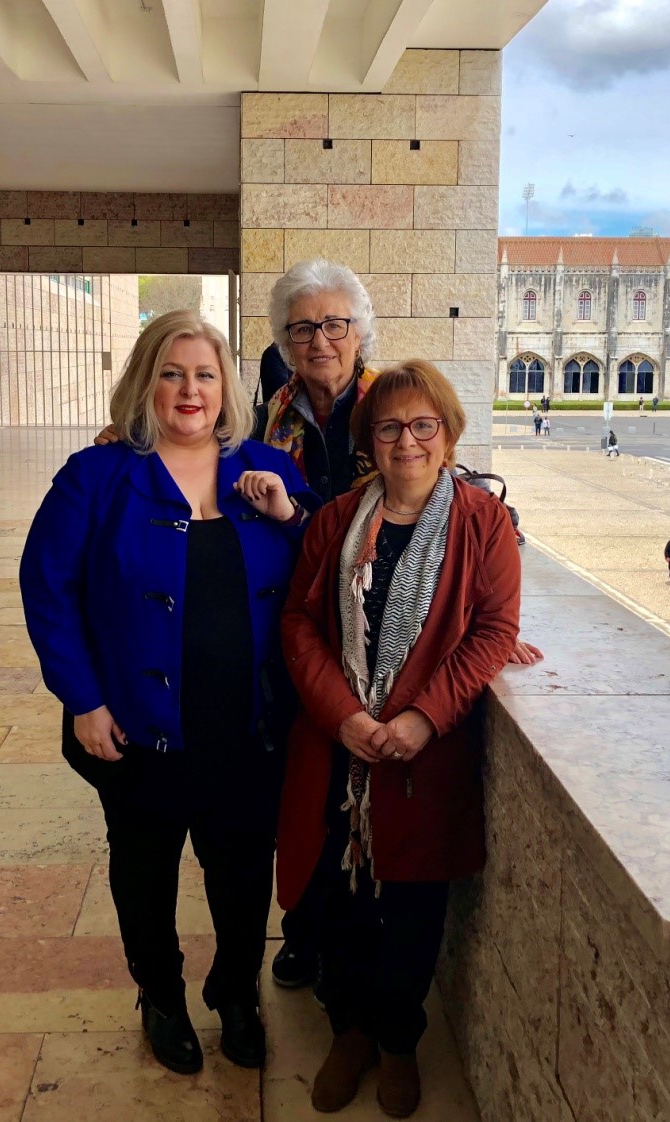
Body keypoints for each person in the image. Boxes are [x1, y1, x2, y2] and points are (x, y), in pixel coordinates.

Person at [99, 261, 543, 992]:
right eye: (303, 328)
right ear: (284, 340)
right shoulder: (268, 414)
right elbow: (205, 453)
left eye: (334, 324)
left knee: (381, 847)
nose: (320, 340)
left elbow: (447, 502)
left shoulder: (393, 400)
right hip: (292, 646)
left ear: (358, 331)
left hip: (386, 646)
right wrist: (135, 436)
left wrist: (484, 621)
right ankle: (307, 937)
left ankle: (359, 983)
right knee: (297, 809)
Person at [20, 312, 319, 1075]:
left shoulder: (270, 472)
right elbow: (47, 589)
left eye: (206, 375)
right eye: (172, 373)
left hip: (247, 728)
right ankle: (159, 994)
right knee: (144, 873)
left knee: (245, 872)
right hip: (135, 728)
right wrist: (83, 701)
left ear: (228, 391)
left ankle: (235, 993)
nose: (190, 390)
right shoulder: (97, 475)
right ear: (145, 384)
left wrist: (289, 518)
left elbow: (324, 573)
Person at [278, 360, 521, 1117]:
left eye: (424, 426)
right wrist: (344, 717)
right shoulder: (335, 522)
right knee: (335, 905)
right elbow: (299, 625)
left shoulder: (484, 523)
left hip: (423, 759)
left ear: (447, 437)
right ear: (368, 442)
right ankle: (345, 1032)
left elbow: (493, 632)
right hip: (339, 752)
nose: (407, 441)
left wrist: (421, 718)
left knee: (413, 913)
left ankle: (395, 1040)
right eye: (388, 427)